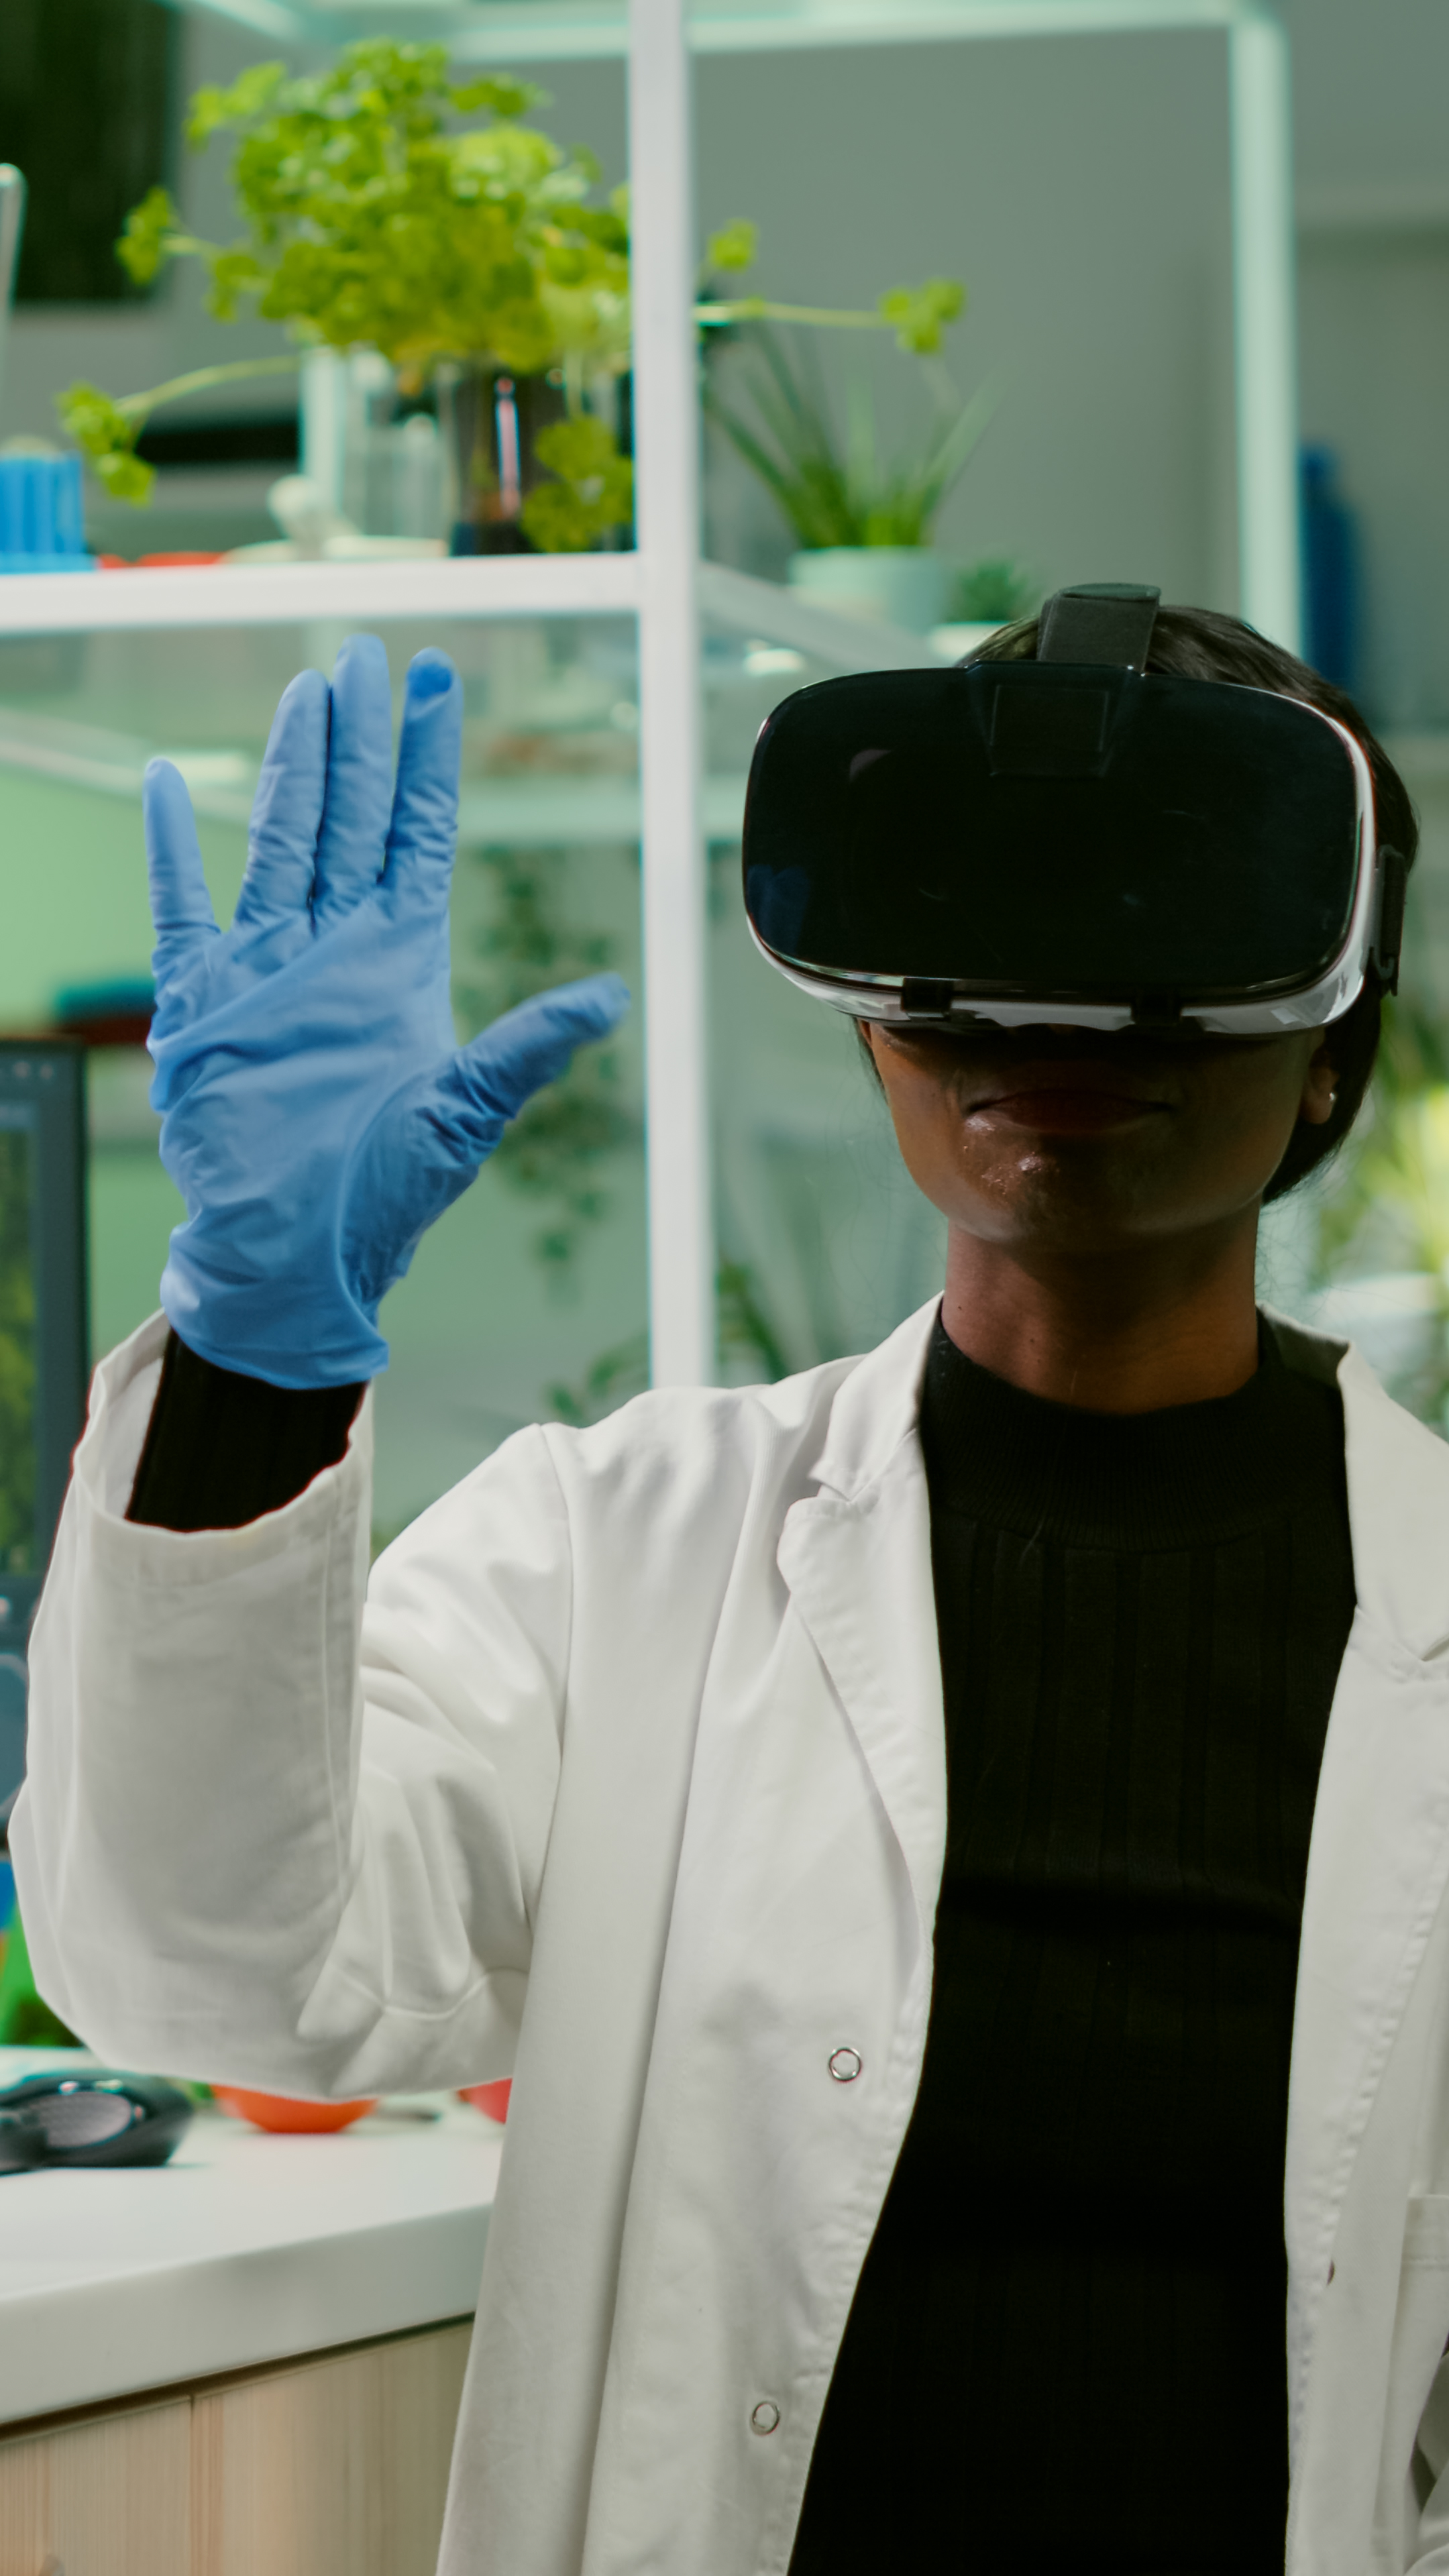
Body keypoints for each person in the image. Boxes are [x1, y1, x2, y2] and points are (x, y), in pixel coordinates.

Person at [13, 606, 1449, 2576]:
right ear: (870, 1022)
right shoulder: (622, 1551)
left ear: (1325, 1060)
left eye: (1160, 909)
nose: (1048, 1016)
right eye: (975, 924)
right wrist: (258, 1360)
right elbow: (209, 1970)